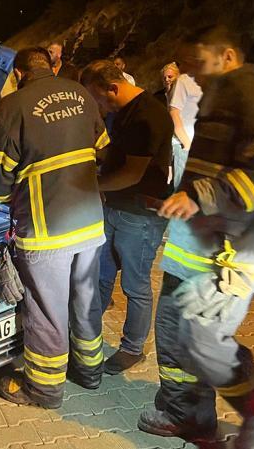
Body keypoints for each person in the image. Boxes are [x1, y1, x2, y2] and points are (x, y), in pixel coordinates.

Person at [138, 25, 254, 449]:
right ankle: (203, 414)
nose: (191, 75)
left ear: (227, 56)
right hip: (199, 247)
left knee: (201, 343)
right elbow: (212, 169)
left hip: (230, 255)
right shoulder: (221, 99)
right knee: (187, 340)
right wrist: (181, 197)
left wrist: (201, 196)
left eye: (197, 64)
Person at [0, 47, 110, 408]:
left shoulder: (11, 108)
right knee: (86, 300)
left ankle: (44, 389)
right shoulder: (81, 95)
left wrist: (10, 198)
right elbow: (102, 148)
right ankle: (89, 371)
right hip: (88, 222)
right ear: (50, 66)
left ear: (18, 73)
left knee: (47, 310)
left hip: (44, 227)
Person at [80, 60, 173, 374]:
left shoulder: (149, 115)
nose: (97, 105)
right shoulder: (122, 112)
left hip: (141, 215)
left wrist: (90, 184)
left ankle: (133, 348)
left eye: (97, 98)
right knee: (101, 277)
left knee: (135, 285)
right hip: (116, 208)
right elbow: (113, 155)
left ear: (113, 88)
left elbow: (132, 174)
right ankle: (85, 337)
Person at [167, 63, 203, 189]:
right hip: (184, 143)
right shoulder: (183, 81)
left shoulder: (206, 82)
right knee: (182, 186)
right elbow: (174, 112)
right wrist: (186, 143)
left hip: (197, 143)